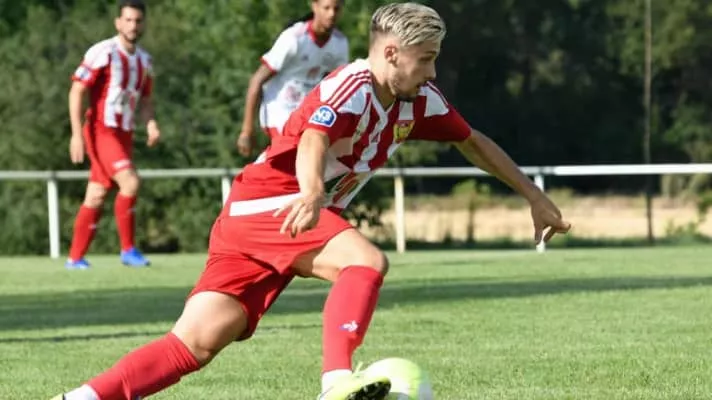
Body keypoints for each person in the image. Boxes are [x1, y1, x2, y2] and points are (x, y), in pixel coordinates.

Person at [50, 2, 571, 400]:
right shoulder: (351, 85)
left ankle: (79, 398)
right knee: (365, 262)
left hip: (255, 218)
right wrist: (313, 192)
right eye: (427, 59)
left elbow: (472, 141)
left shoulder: (418, 101)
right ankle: (336, 381)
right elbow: (314, 138)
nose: (433, 72)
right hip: (274, 205)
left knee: (196, 342)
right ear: (392, 53)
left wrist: (534, 196)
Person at [65, 0, 159, 270]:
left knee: (96, 194)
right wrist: (76, 135)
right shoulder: (103, 52)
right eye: (127, 20)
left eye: (138, 21)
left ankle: (75, 258)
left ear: (144, 24)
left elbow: (146, 100)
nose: (133, 26)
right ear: (118, 23)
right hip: (101, 131)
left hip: (124, 133)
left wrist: (151, 124)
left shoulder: (145, 61)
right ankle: (128, 250)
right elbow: (77, 90)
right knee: (130, 182)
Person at [236, 0, 349, 158]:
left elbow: (339, 86)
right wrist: (247, 130)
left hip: (306, 111)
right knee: (295, 153)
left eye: (336, 9)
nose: (331, 14)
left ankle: (262, 166)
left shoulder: (340, 43)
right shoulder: (294, 38)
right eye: (326, 8)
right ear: (314, 6)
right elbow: (257, 80)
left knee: (315, 156)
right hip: (278, 110)